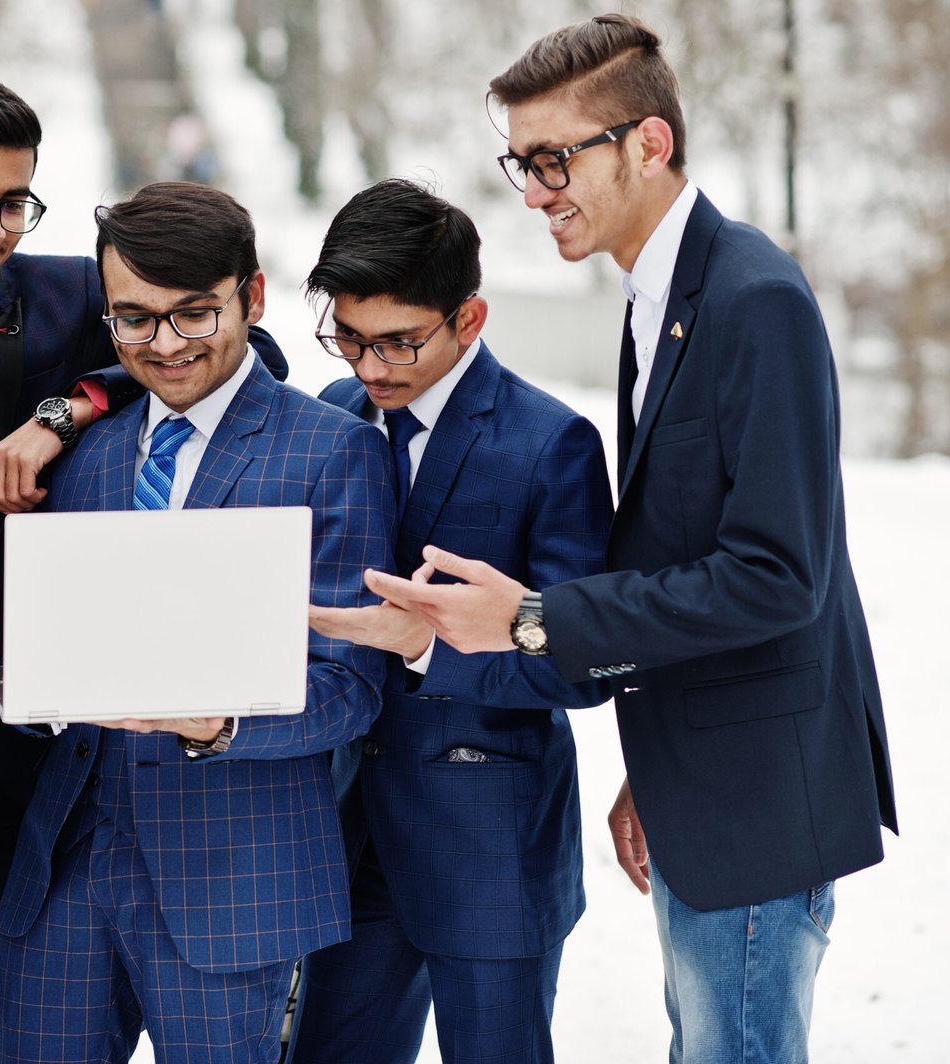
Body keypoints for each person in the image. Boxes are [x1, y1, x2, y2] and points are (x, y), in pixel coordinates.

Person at [370, 15, 897, 1062]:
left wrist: (528, 618)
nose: (532, 191)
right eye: (519, 164)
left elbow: (775, 575)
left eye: (553, 159)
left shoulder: (754, 299)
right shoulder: (656, 295)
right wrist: (651, 758)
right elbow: (683, 544)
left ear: (646, 144)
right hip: (704, 773)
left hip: (758, 797)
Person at [0, 70, 289, 1063]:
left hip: (26, 765)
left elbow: (243, 350)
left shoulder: (62, 299)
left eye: (16, 199)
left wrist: (73, 407)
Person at [0, 182, 393, 1064]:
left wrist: (219, 724)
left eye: (192, 315)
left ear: (251, 296)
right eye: (134, 320)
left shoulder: (335, 452)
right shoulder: (86, 456)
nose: (163, 345)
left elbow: (354, 688)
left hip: (235, 879)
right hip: (66, 860)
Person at [285, 179, 613, 1063]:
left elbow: (585, 667)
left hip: (489, 849)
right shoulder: (333, 414)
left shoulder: (551, 445)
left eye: (398, 342)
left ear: (469, 319)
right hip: (347, 840)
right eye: (349, 338)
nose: (371, 368)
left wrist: (433, 648)